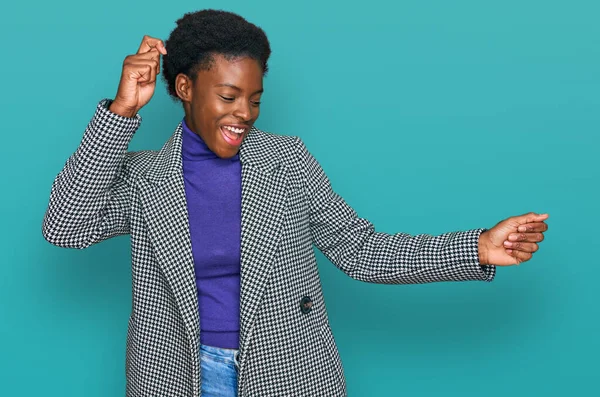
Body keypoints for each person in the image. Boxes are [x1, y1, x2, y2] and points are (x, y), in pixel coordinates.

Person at [41, 9, 549, 397]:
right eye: (228, 96)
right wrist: (122, 110)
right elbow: (64, 226)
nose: (245, 113)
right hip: (176, 374)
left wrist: (478, 248)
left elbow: (361, 250)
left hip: (290, 369)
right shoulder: (143, 177)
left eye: (255, 98)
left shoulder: (287, 161)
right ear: (184, 86)